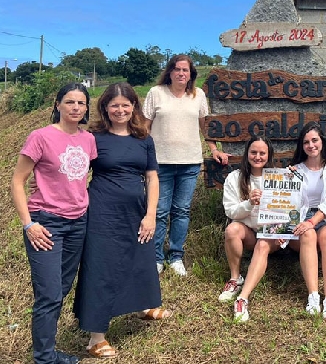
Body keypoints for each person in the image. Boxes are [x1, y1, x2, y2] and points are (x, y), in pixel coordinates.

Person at [73, 83, 171, 358]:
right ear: (105, 108)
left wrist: (151, 214)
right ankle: (96, 337)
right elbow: (74, 170)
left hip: (137, 211)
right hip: (101, 212)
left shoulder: (144, 139)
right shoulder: (93, 137)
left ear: (133, 107)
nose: (120, 110)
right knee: (101, 267)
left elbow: (152, 178)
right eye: (114, 105)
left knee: (139, 258)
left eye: (125, 105)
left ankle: (144, 305)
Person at [11, 83, 97, 364]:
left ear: (86, 108)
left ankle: (47, 352)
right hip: (46, 224)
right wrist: (28, 224)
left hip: (78, 223)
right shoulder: (40, 137)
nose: (75, 107)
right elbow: (17, 181)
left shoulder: (88, 140)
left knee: (59, 291)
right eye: (69, 102)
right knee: (48, 295)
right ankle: (44, 359)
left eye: (81, 103)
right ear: (58, 104)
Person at [233, 122, 326, 322]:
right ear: (301, 146)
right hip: (300, 220)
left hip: (322, 217)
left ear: (322, 142)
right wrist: (288, 180)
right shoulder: (294, 171)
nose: (311, 145)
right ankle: (313, 295)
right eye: (306, 142)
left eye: (315, 140)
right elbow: (286, 201)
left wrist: (312, 221)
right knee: (308, 234)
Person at [143, 54, 229, 276]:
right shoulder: (156, 93)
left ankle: (176, 256)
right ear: (169, 72)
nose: (181, 73)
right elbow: (145, 127)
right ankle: (156, 258)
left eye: (186, 70)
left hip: (189, 163)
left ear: (191, 74)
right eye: (177, 69)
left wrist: (214, 149)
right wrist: (140, 154)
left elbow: (204, 127)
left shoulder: (198, 95)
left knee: (181, 211)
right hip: (160, 163)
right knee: (160, 211)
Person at [218, 136, 274, 303]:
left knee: (264, 242)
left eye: (262, 153)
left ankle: (244, 297)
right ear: (247, 154)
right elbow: (230, 211)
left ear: (269, 155)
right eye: (253, 152)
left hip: (271, 235)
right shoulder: (235, 178)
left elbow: (289, 208)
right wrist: (249, 203)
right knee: (231, 229)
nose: (257, 157)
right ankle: (235, 278)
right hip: (249, 233)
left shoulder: (278, 178)